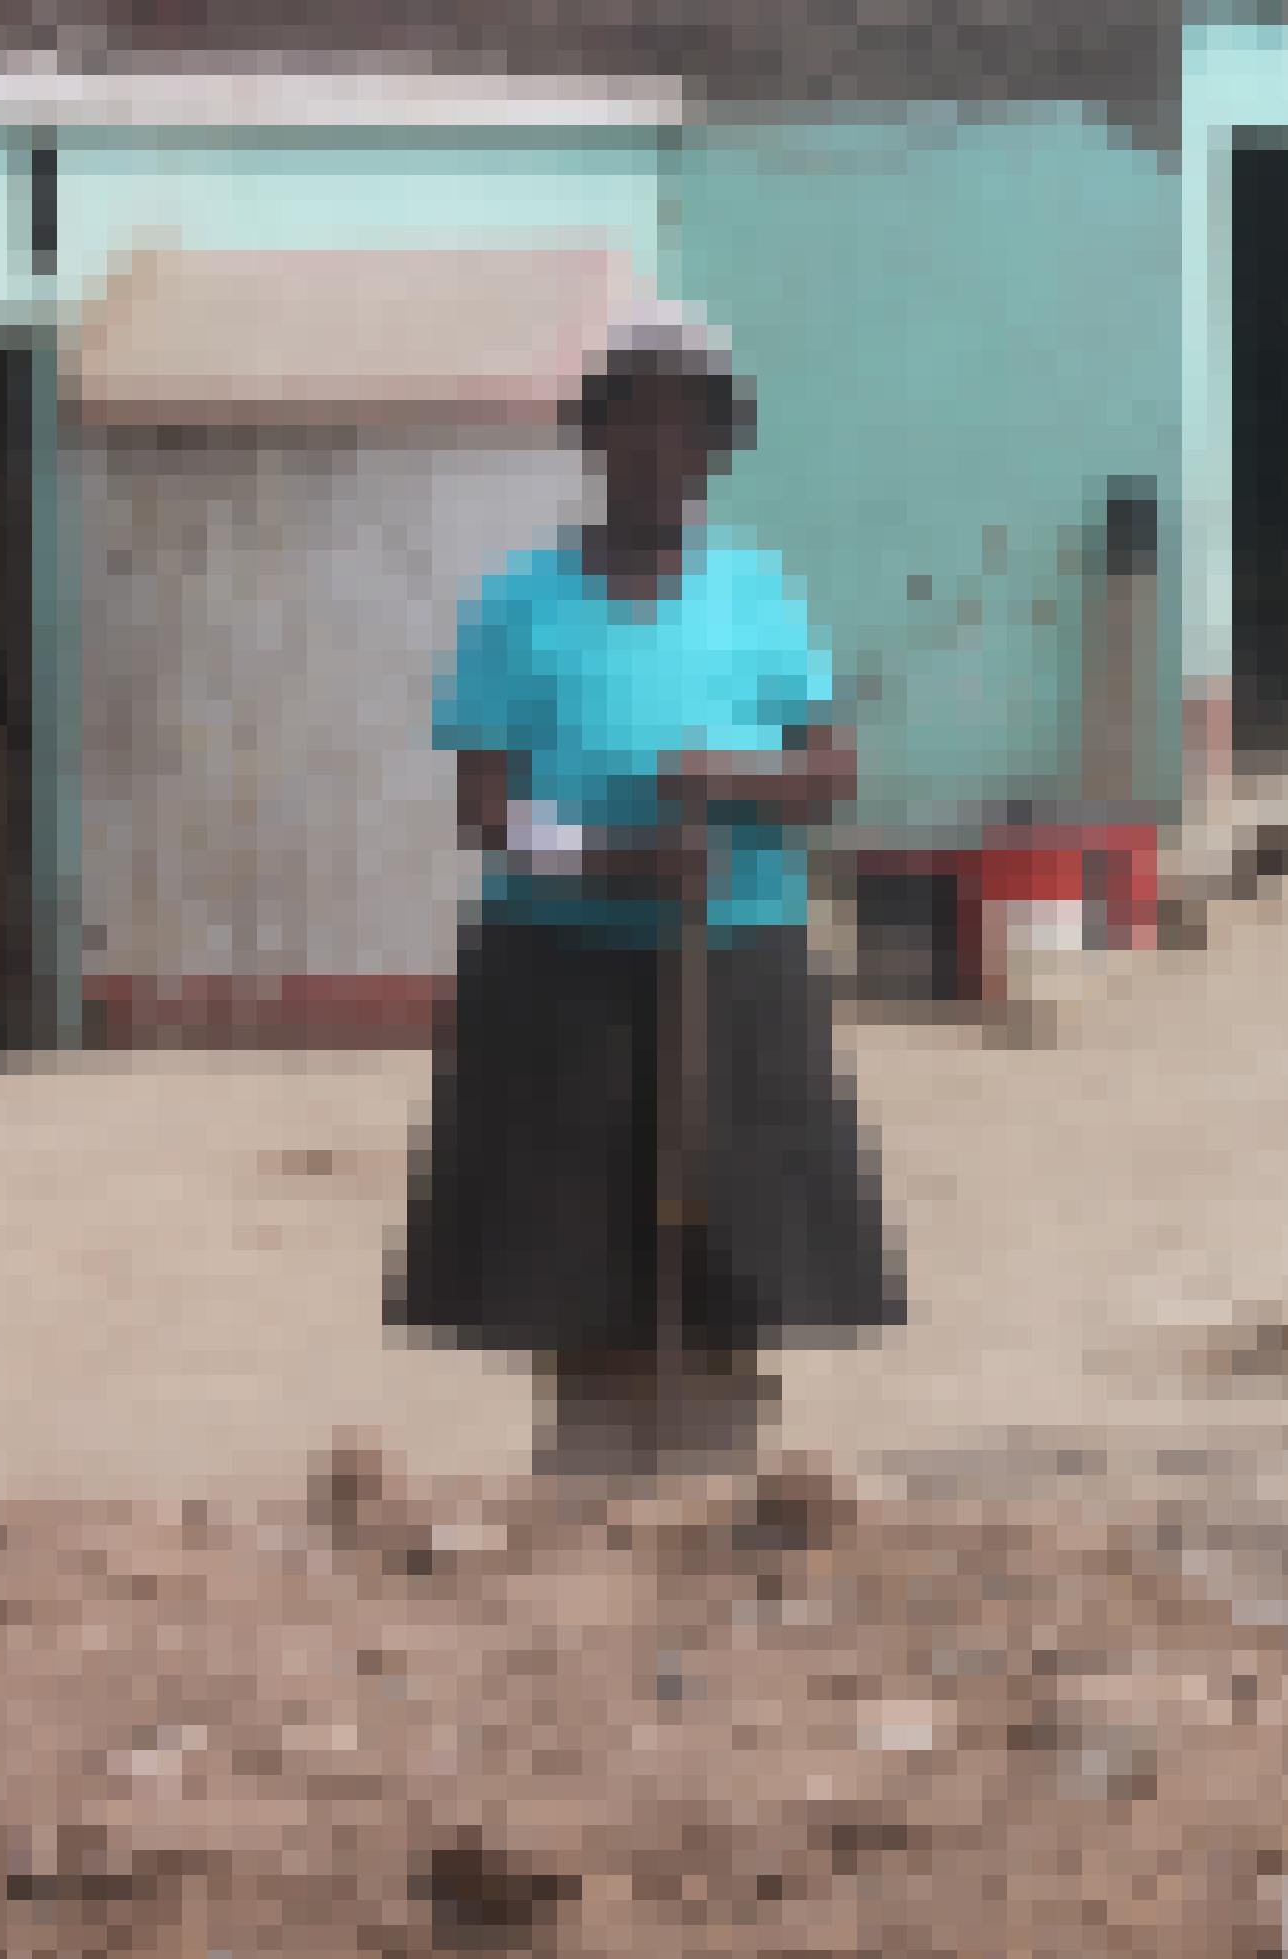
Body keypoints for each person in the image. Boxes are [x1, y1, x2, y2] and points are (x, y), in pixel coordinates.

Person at [389, 299, 905, 1479]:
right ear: (596, 437)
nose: (660, 452)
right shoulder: (519, 603)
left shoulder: (759, 595)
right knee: (577, 1224)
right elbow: (485, 812)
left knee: (733, 1210)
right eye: (635, 421)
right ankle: (592, 1457)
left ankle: (720, 1450)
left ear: (717, 448)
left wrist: (731, 778)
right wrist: (610, 859)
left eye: (688, 427)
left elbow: (831, 773)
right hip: (555, 967)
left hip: (736, 955)